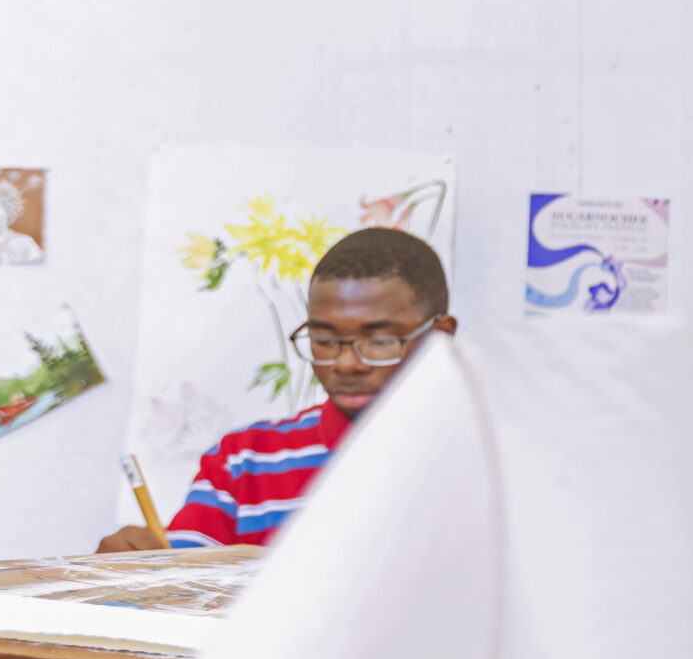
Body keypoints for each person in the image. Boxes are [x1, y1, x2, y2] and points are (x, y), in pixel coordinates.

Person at [97, 228, 457, 552]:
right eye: (324, 339)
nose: (346, 363)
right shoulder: (244, 462)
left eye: (379, 340)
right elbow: (182, 583)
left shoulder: (489, 455)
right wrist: (139, 575)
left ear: (441, 334)